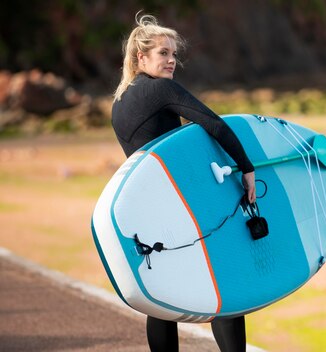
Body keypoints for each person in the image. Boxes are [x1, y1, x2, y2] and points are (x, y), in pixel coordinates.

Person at [111, 13, 254, 352]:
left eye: (174, 54)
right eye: (163, 53)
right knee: (224, 283)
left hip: (147, 211)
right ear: (140, 57)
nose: (172, 60)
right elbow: (213, 124)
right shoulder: (160, 89)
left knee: (162, 296)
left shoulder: (119, 103)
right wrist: (245, 167)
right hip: (179, 206)